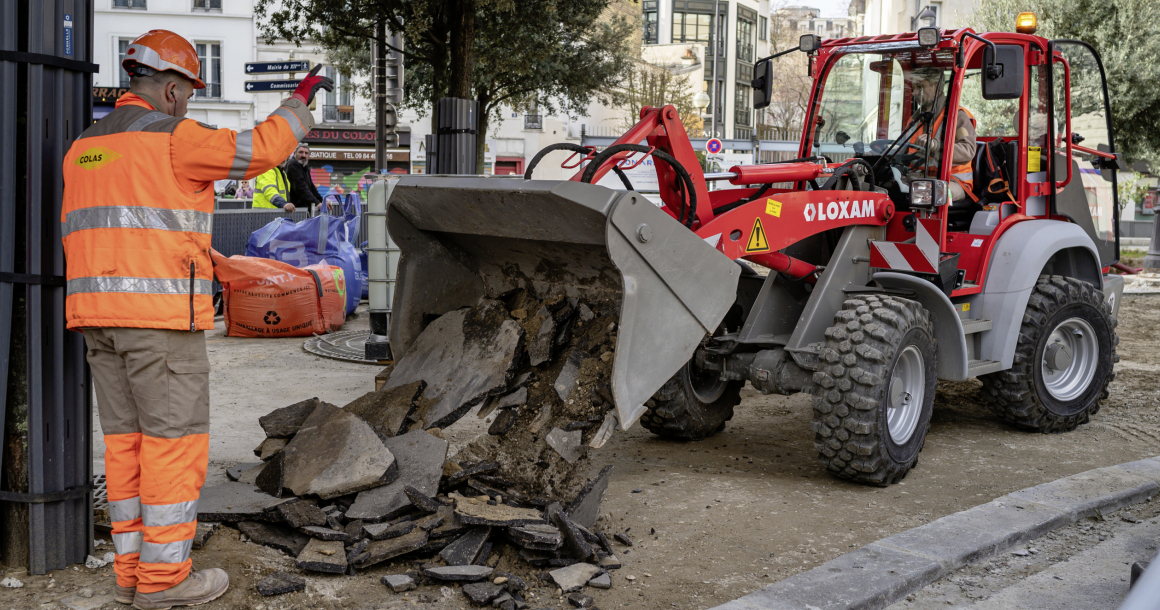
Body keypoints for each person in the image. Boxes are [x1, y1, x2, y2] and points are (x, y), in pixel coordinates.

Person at [60, 30, 331, 609]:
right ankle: (164, 583)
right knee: (171, 447)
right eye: (186, 92)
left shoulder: (84, 145)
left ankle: (132, 572)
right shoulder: (173, 137)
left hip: (97, 320)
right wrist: (300, 103)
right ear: (174, 88)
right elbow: (259, 149)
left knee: (126, 445)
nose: (186, 103)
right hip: (157, 321)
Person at [907, 67, 978, 203]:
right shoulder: (913, 121)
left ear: (935, 87)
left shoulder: (957, 116)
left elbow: (968, 151)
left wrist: (935, 145)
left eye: (920, 87)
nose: (915, 92)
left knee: (924, 194)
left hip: (954, 182)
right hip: (922, 179)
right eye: (914, 87)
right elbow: (906, 152)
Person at [285, 143, 323, 215]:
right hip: (295, 211)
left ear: (309, 156)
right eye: (300, 152)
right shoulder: (293, 164)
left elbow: (311, 187)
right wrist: (317, 203)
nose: (303, 155)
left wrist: (321, 202)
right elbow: (300, 187)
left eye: (306, 153)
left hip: (302, 210)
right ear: (294, 153)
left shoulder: (304, 166)